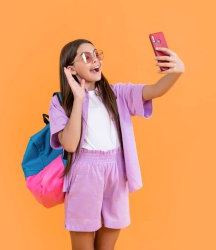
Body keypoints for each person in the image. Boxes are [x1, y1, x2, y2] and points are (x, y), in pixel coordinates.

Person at [49, 39, 184, 250]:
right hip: (84, 174)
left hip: (116, 171)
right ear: (71, 69)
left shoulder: (118, 93)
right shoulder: (60, 102)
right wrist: (78, 99)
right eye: (86, 57)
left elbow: (155, 89)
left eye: (96, 54)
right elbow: (70, 145)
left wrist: (176, 72)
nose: (95, 60)